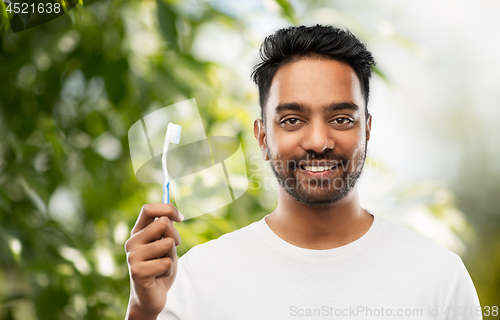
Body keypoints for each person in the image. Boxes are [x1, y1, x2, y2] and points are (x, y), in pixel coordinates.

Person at [125, 25, 482, 320]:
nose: (317, 141)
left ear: (367, 130)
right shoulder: (194, 280)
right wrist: (142, 311)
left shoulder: (439, 278)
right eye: (292, 120)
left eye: (341, 119)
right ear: (262, 137)